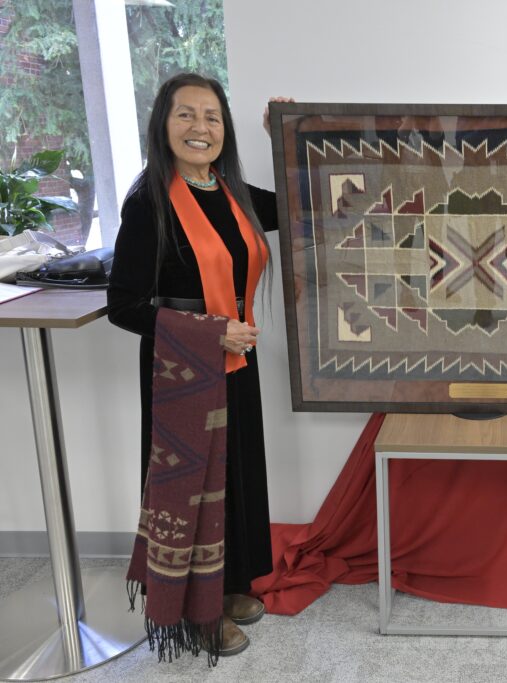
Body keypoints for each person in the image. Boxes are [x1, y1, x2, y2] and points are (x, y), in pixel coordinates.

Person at [108, 73, 284, 658]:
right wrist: (212, 333)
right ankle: (192, 614)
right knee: (191, 494)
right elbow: (124, 307)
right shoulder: (147, 201)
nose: (199, 128)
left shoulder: (232, 192)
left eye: (211, 117)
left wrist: (284, 134)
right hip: (182, 373)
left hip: (238, 360)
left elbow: (299, 205)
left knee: (232, 483)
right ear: (163, 124)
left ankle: (228, 588)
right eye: (185, 115)